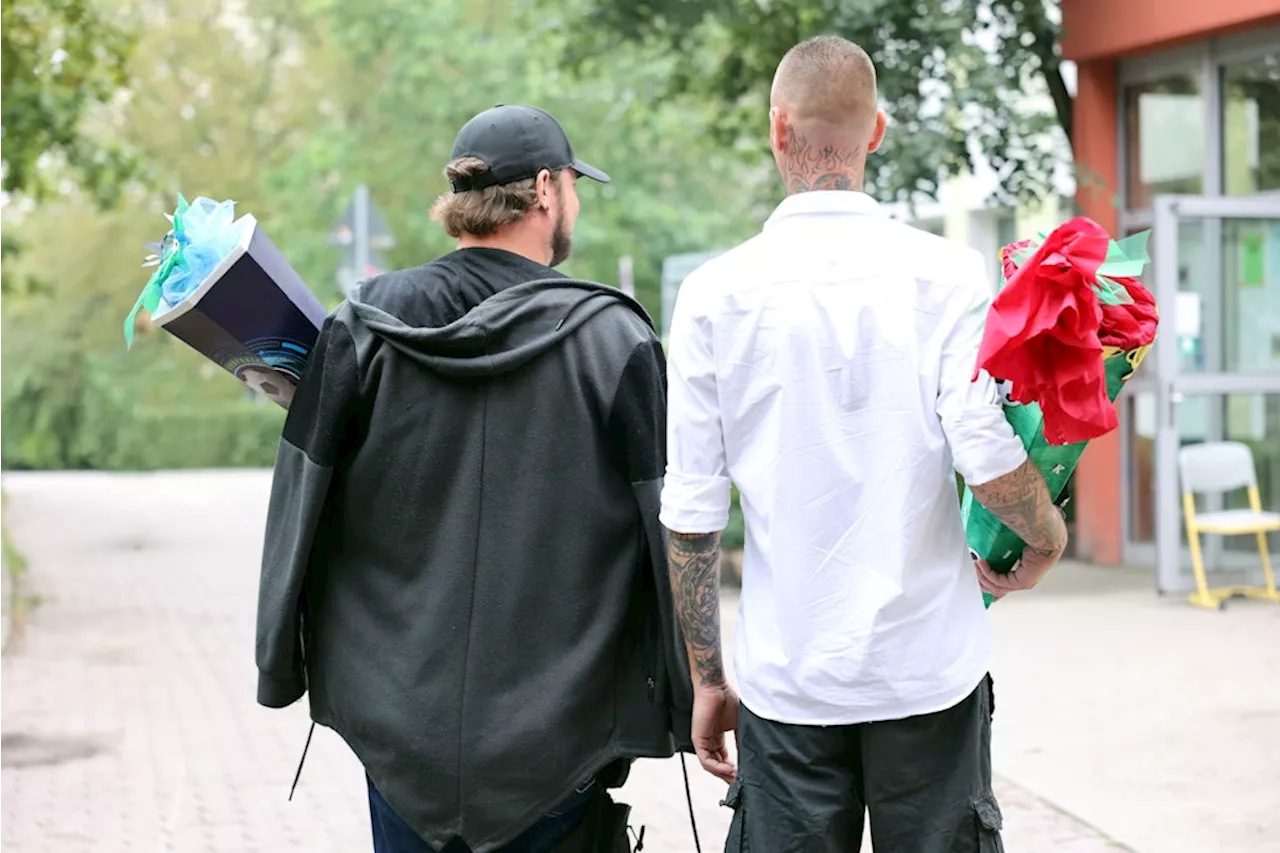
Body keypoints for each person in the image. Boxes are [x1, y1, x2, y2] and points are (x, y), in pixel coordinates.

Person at [659, 36, 1068, 852]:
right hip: (929, 671)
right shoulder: (947, 275)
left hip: (790, 680)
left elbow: (693, 511)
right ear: (877, 131)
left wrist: (708, 676)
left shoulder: (713, 296)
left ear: (778, 130)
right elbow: (983, 448)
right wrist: (1048, 537)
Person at [256, 104, 693, 853]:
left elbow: (298, 501)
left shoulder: (360, 329)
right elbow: (668, 532)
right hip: (561, 739)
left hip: (400, 732)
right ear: (547, 189)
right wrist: (689, 699)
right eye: (576, 188)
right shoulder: (616, 340)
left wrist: (279, 664)